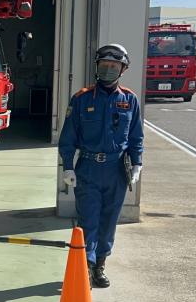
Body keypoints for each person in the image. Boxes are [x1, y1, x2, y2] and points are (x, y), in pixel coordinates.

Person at [58, 43, 144, 288]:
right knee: (89, 221)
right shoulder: (82, 99)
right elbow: (68, 137)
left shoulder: (130, 100)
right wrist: (68, 166)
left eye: (114, 66)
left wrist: (137, 162)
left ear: (122, 69)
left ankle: (100, 266)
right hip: (88, 169)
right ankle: (85, 265)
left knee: (109, 222)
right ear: (97, 67)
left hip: (117, 170)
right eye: (104, 65)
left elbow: (136, 135)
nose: (108, 69)